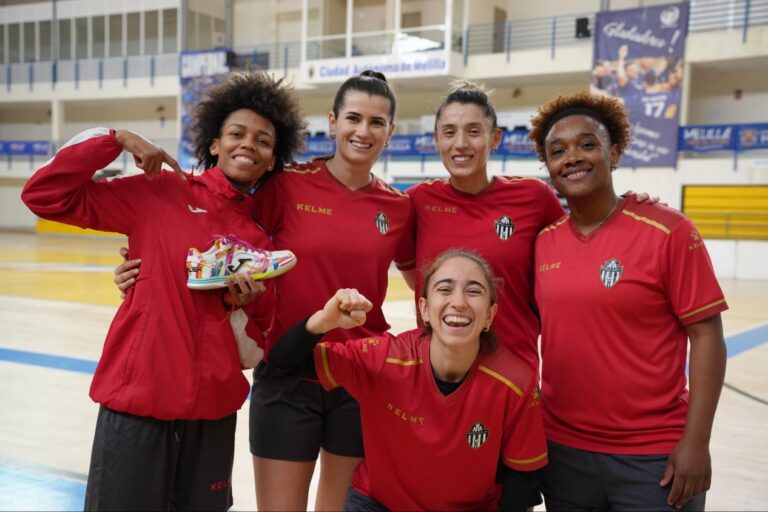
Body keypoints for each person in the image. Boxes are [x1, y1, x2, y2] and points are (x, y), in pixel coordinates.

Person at [114, 70, 413, 510]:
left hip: (360, 377)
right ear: (332, 122)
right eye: (353, 118)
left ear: (390, 132)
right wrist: (141, 268)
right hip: (288, 372)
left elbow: (424, 280)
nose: (362, 131)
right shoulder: (285, 185)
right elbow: (216, 231)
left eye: (376, 122)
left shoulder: (400, 207)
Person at [21, 71, 306, 510]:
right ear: (214, 143)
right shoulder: (159, 193)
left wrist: (251, 304)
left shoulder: (260, 243)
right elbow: (45, 195)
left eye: (264, 141)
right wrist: (117, 139)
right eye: (236, 133)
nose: (248, 144)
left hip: (212, 416)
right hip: (138, 404)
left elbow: (256, 347)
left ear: (272, 160)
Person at [529, 91, 728, 511]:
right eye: (557, 150)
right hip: (564, 453)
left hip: (653, 456)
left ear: (614, 152)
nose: (573, 157)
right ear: (547, 165)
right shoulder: (543, 243)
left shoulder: (669, 230)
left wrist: (697, 441)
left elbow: (707, 336)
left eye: (588, 144)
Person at [267, 249, 548, 511]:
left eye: (473, 291)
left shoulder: (515, 382)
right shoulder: (383, 359)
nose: (459, 302)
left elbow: (521, 480)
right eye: (445, 289)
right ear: (424, 309)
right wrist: (323, 322)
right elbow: (284, 365)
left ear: (489, 315)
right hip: (379, 505)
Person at [401, 81, 564, 371]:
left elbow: (578, 247)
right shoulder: (416, 202)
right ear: (437, 140)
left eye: (474, 131)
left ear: (495, 138)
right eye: (449, 132)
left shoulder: (535, 198)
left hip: (513, 371)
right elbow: (415, 277)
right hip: (439, 373)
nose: (461, 143)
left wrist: (627, 203)